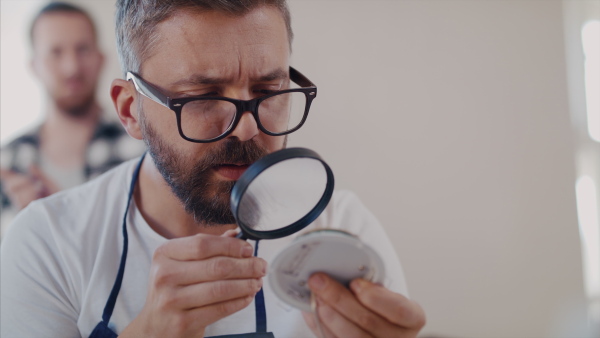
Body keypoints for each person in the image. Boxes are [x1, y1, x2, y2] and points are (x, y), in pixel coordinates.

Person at [0, 0, 426, 337]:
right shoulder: (47, 245)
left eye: (268, 90)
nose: (245, 128)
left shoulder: (341, 229)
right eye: (203, 95)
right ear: (131, 111)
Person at [0, 2, 144, 236]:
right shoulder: (7, 162)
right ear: (34, 66)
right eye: (56, 52)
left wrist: (64, 218)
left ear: (101, 59)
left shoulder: (142, 150)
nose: (72, 68)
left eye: (83, 49)